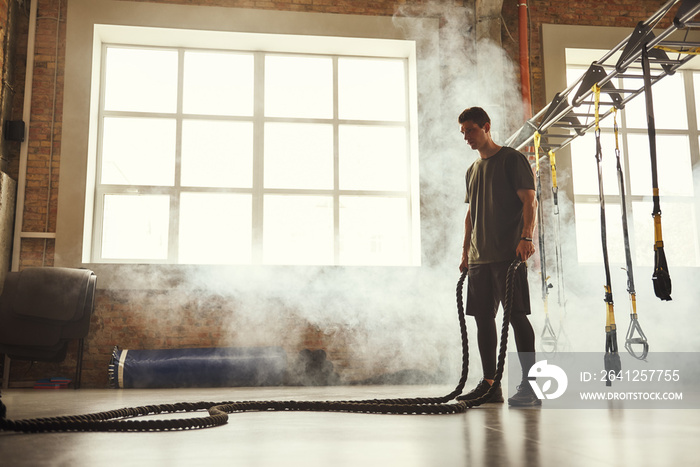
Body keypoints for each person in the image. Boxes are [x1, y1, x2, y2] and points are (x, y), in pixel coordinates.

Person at [456, 107, 540, 407]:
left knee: (516, 317)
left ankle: (531, 386)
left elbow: (530, 200)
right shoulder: (472, 170)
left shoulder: (511, 159)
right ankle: (491, 385)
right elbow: (470, 215)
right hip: (480, 259)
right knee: (483, 320)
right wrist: (466, 251)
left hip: (508, 254)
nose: (466, 137)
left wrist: (526, 237)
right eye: (463, 132)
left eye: (471, 130)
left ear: (486, 127)